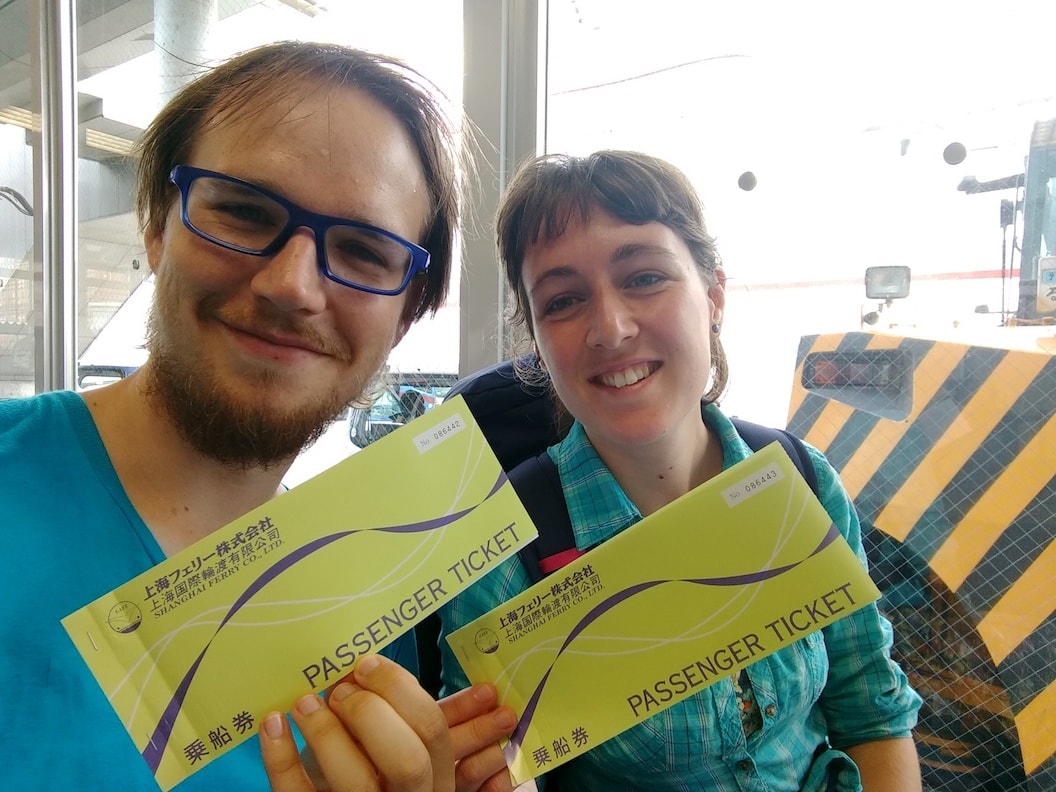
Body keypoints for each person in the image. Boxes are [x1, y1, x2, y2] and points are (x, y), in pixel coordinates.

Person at [0, 41, 513, 791]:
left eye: (365, 251)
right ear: (156, 225)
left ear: (405, 319)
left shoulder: (366, 621)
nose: (291, 286)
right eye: (242, 211)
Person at [437, 151, 924, 791]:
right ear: (536, 339)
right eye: (563, 300)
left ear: (713, 294)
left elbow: (872, 714)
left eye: (643, 277)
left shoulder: (800, 482)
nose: (609, 329)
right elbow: (493, 765)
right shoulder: (503, 550)